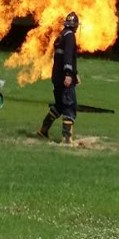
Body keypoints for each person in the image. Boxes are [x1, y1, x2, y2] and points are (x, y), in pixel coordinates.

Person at [37, 11, 81, 144]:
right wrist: (68, 74)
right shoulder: (70, 36)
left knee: (60, 106)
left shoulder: (61, 35)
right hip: (64, 77)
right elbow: (68, 56)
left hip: (56, 76)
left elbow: (62, 57)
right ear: (75, 25)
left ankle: (43, 130)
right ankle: (67, 139)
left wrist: (75, 73)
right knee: (69, 106)